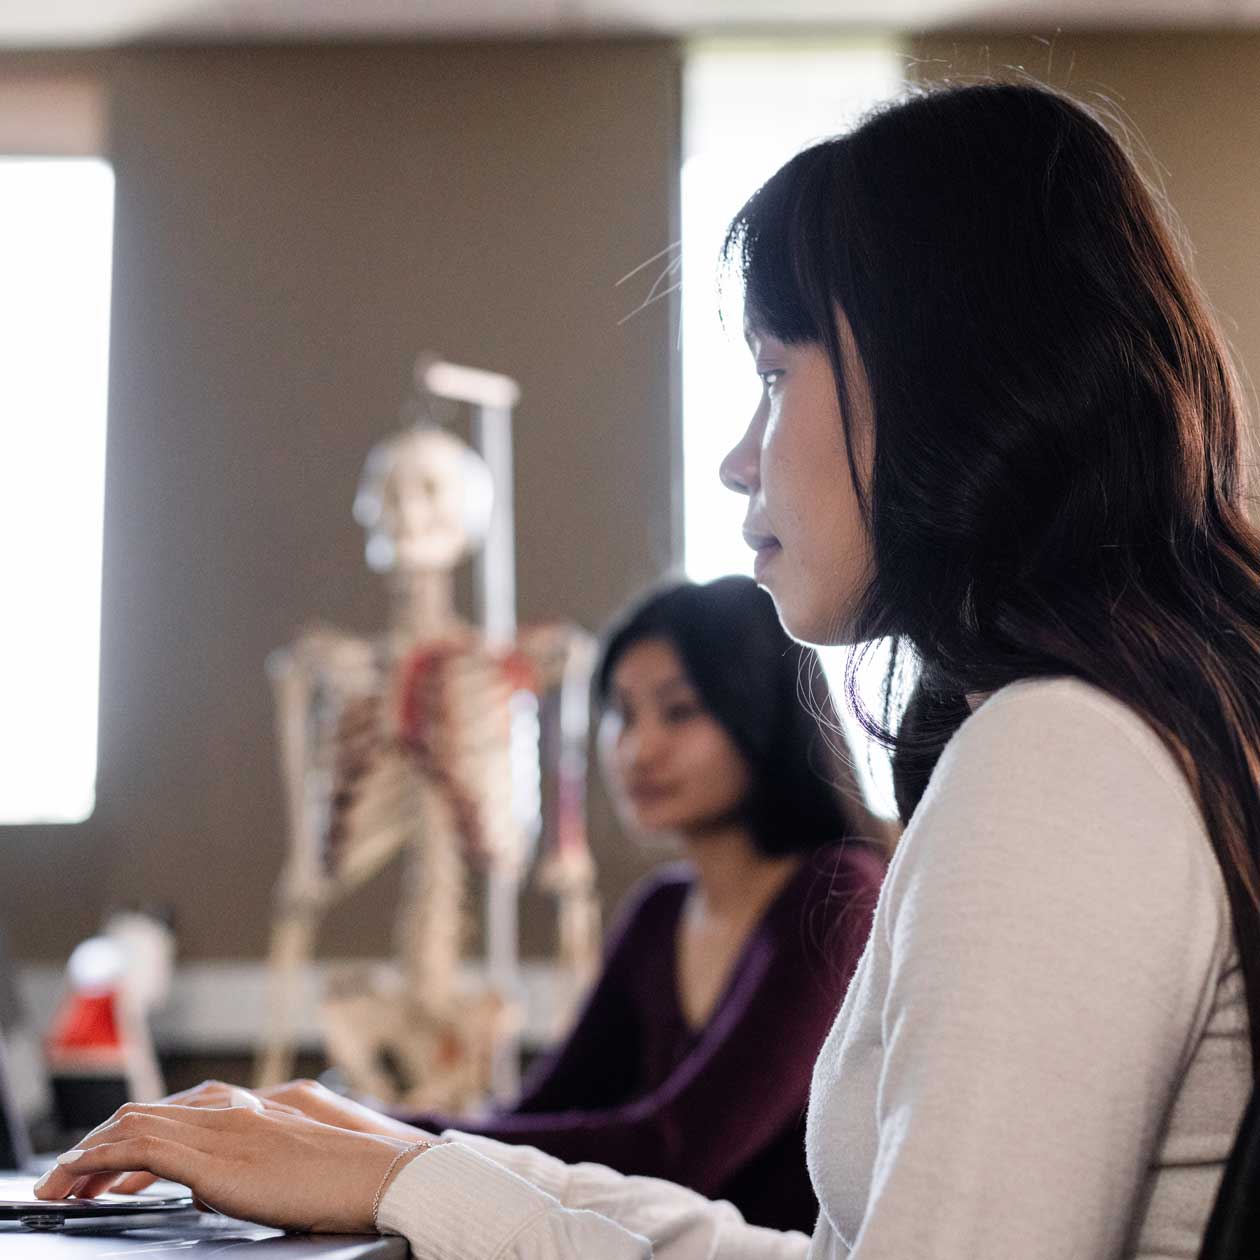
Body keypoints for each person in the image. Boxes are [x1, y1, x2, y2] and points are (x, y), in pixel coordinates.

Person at [36, 80, 1259, 1260]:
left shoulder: (1059, 758)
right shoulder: (1093, 739)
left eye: (775, 376)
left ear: (944, 380)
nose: (737, 459)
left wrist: (414, 1178)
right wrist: (404, 1162)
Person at [377, 575, 887, 1233]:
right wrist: (360, 1124)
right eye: (621, 713)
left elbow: (679, 1148)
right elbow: (539, 1112)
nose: (637, 749)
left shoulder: (837, 892)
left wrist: (378, 1137)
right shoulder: (661, 912)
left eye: (679, 711)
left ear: (759, 708)